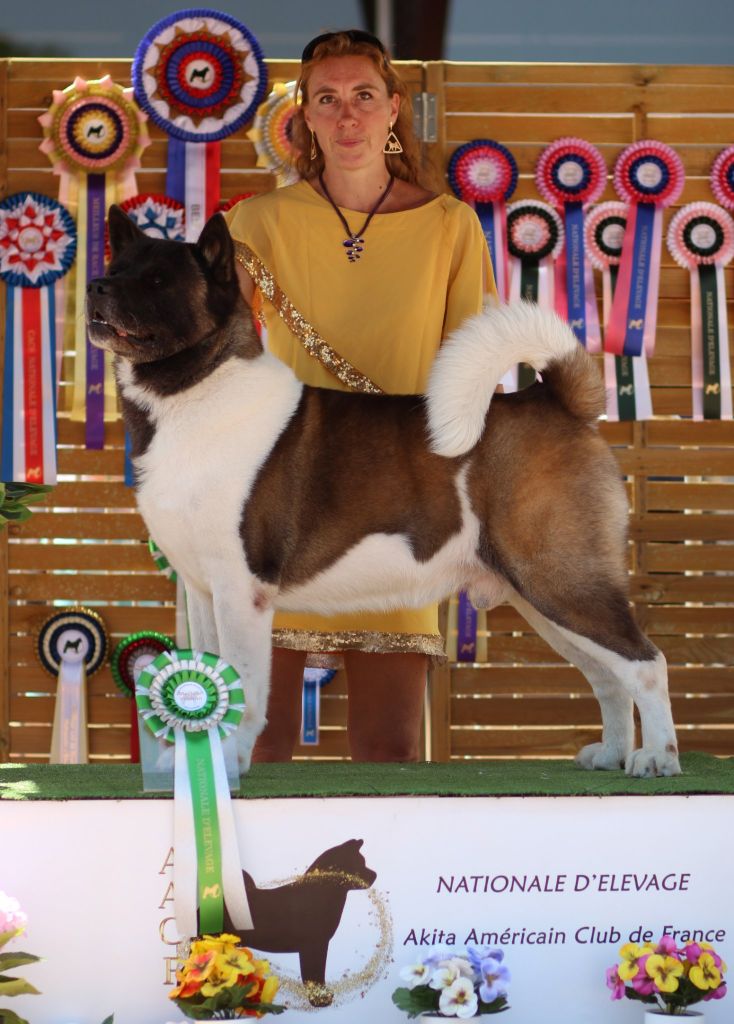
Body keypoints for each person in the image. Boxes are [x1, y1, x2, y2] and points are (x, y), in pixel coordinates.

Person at [224, 29, 496, 763]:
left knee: (389, 750)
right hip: (287, 503)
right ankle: (250, 883)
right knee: (261, 745)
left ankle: (383, 884)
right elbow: (210, 352)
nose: (348, 117)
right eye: (328, 101)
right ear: (305, 116)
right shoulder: (254, 225)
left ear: (393, 109)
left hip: (401, 505)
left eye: (363, 98)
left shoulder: (451, 227)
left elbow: (475, 367)